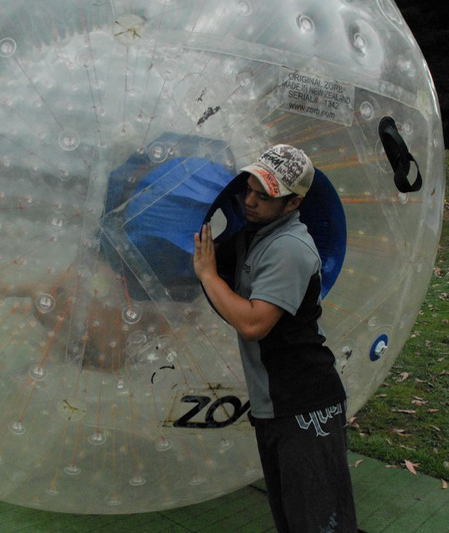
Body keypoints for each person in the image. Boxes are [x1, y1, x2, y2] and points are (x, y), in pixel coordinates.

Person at [192, 144, 357, 532]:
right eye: (248, 189)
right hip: (277, 404)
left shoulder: (289, 249)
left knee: (318, 523)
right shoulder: (257, 232)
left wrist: (208, 275)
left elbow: (254, 324)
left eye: (264, 196)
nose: (249, 202)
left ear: (293, 203)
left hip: (303, 401)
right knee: (292, 517)